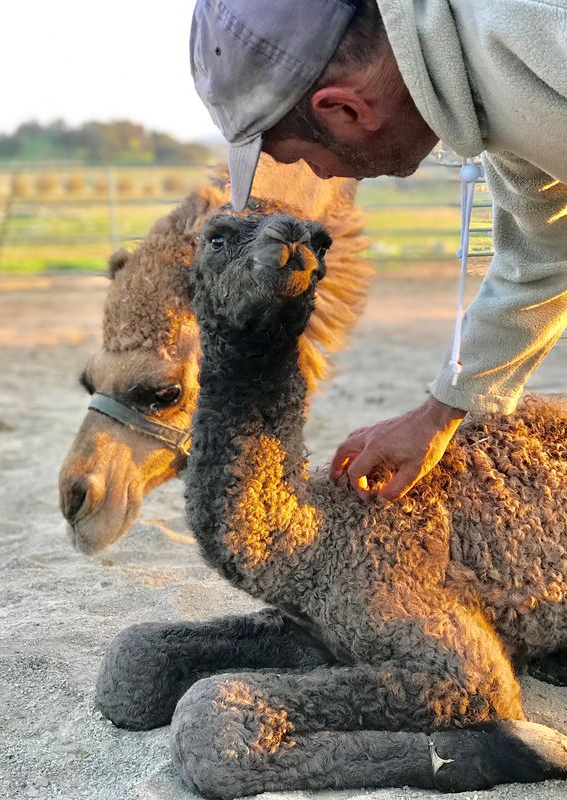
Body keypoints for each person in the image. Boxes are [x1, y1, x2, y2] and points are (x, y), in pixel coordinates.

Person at [190, 0, 567, 501]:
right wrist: (440, 414)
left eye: (306, 159)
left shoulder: (539, 33)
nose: (322, 176)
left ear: (345, 108)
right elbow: (544, 253)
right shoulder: (493, 98)